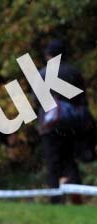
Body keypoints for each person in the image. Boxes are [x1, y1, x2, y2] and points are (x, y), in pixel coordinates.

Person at [37, 39, 89, 205]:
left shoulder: (43, 73)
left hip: (51, 126)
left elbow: (38, 101)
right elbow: (82, 100)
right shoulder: (74, 72)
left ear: (48, 55)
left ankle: (56, 199)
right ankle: (76, 196)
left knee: (54, 163)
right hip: (72, 124)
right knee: (69, 160)